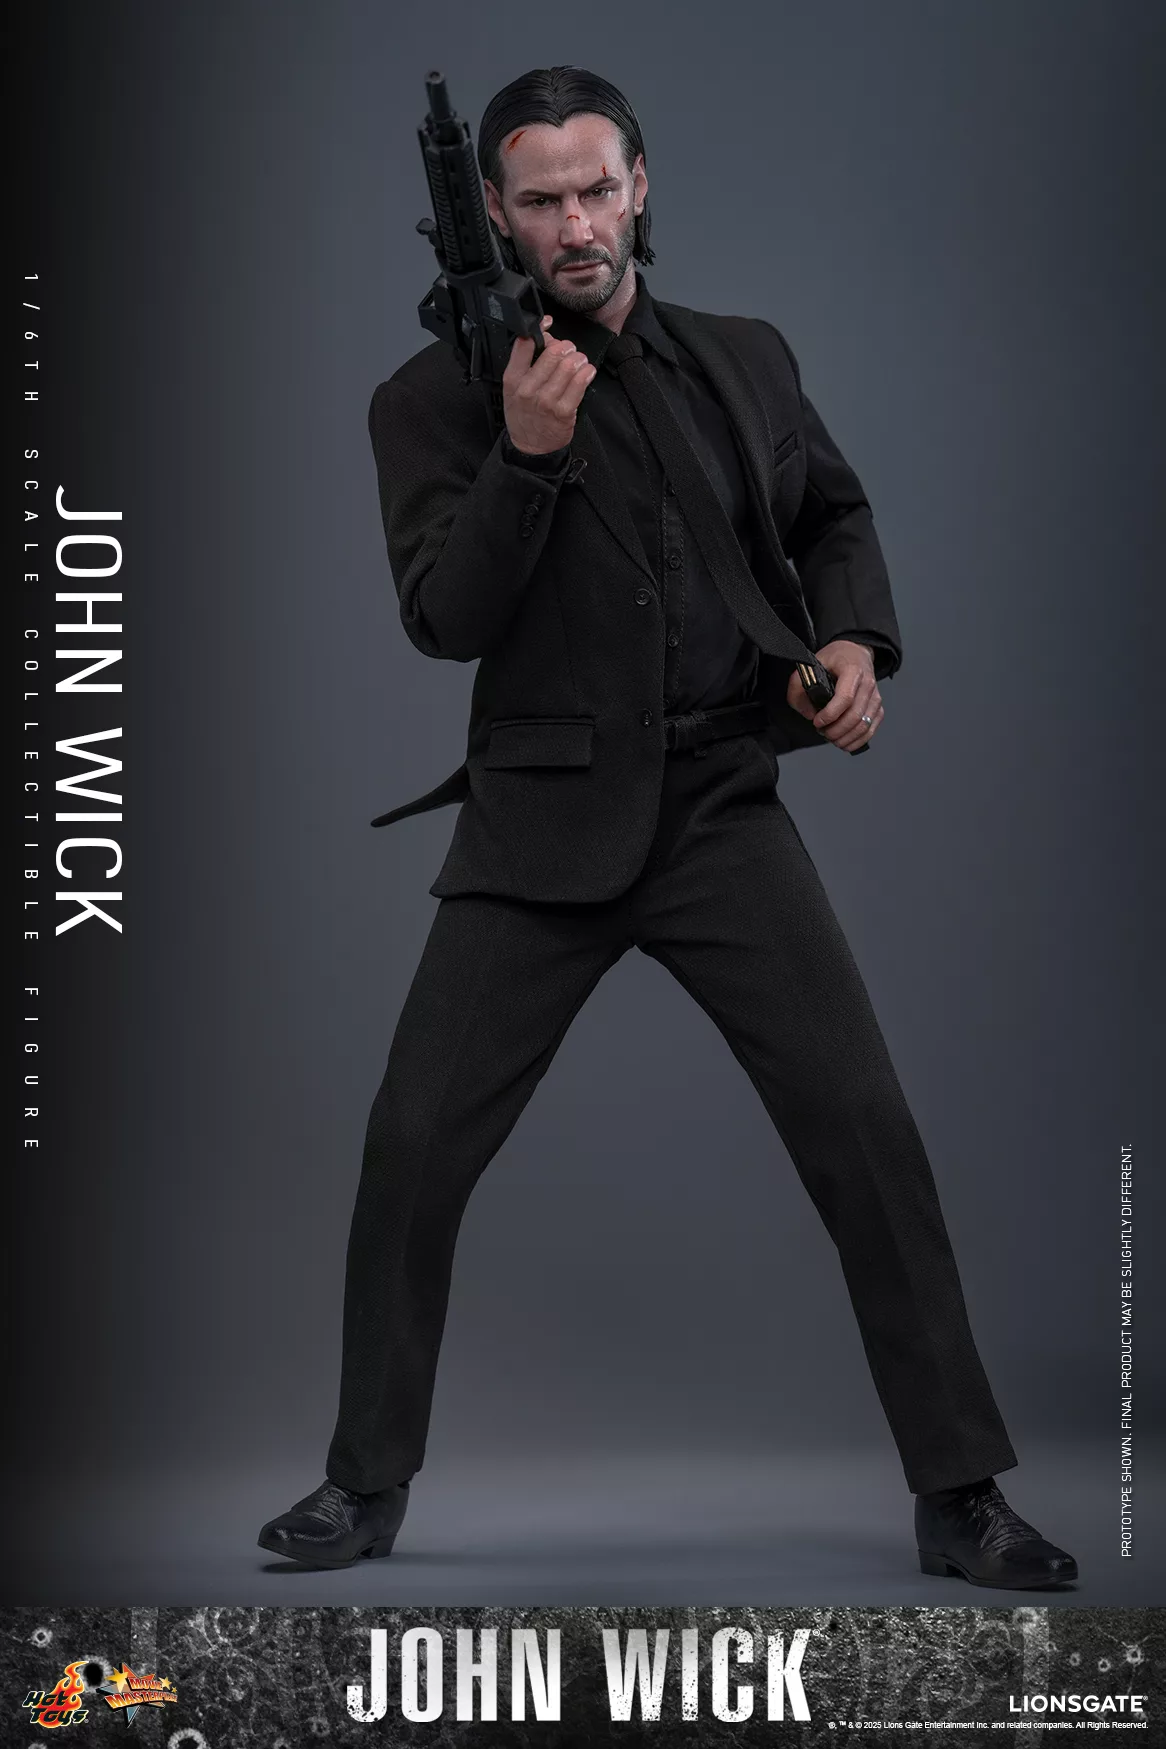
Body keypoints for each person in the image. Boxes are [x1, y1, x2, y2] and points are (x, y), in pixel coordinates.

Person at [258, 65, 1076, 1589]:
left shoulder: (745, 357)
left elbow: (832, 516)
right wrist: (524, 459)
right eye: (541, 200)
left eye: (596, 189)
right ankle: (361, 1486)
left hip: (718, 810)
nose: (575, 224)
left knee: (867, 1134)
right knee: (412, 1147)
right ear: (492, 214)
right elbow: (445, 619)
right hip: (538, 826)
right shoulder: (430, 400)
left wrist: (854, 642)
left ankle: (961, 1495)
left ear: (639, 185)